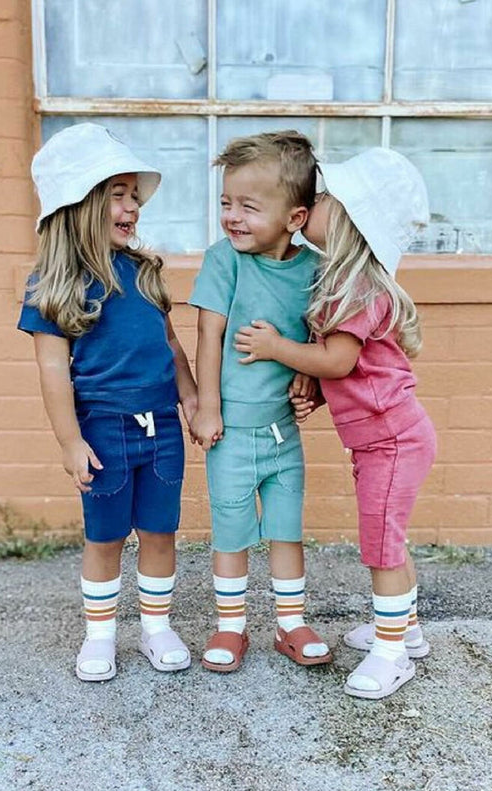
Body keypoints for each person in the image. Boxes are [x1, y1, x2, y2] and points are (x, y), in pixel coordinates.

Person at [234, 147, 435, 700]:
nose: (309, 205)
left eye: (321, 199)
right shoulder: (344, 285)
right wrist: (319, 393)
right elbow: (355, 372)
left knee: (381, 546)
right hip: (383, 439)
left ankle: (392, 653)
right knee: (389, 535)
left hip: (392, 439)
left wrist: (280, 349)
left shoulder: (357, 289)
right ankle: (406, 630)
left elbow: (341, 361)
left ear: (348, 220)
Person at [17, 123, 198, 682]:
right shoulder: (53, 282)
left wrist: (191, 397)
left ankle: (155, 626)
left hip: (161, 425)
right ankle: (99, 636)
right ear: (79, 205)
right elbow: (52, 370)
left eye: (134, 197)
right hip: (103, 428)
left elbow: (169, 343)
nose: (131, 207)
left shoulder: (144, 273)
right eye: (117, 195)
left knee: (160, 530)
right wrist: (70, 441)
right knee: (105, 535)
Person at [189, 130, 331, 673]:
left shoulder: (313, 270)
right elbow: (209, 334)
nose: (233, 217)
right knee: (231, 527)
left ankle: (290, 623)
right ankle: (230, 628)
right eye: (226, 203)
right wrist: (207, 407)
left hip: (281, 431)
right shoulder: (224, 260)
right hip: (229, 430)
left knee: (285, 525)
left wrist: (309, 377)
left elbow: (320, 338)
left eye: (249, 206)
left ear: (295, 218)